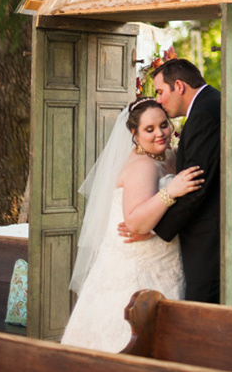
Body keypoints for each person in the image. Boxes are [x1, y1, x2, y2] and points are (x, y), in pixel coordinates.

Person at [61, 98, 203, 353]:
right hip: (139, 268)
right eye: (149, 129)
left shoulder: (169, 155)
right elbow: (136, 223)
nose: (159, 133)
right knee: (132, 340)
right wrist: (172, 190)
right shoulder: (142, 166)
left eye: (163, 125)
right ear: (134, 134)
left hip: (164, 260)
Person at [119, 59, 221, 304]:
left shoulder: (204, 115)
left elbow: (197, 188)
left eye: (161, 92)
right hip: (156, 257)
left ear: (179, 86)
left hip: (201, 246)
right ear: (135, 134)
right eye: (149, 129)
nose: (160, 100)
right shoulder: (210, 106)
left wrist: (155, 229)